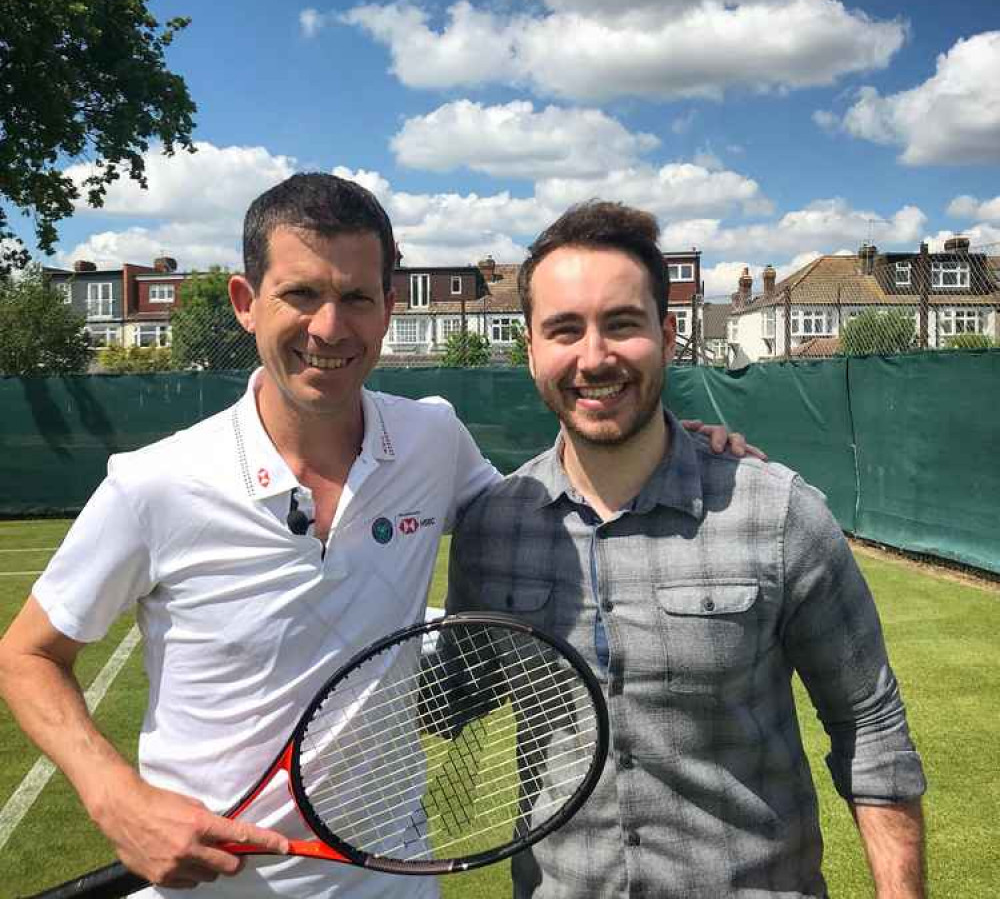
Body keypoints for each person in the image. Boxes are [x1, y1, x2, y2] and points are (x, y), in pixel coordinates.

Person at [0, 175, 750, 898]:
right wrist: (114, 797)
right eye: (301, 294)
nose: (330, 328)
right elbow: (27, 654)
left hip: (394, 882)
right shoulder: (153, 483)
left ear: (389, 306)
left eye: (356, 297)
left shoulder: (431, 438)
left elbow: (545, 504)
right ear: (245, 303)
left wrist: (665, 441)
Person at [447, 201, 927, 899]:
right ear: (530, 350)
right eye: (563, 330)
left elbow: (870, 726)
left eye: (621, 324)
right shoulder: (492, 528)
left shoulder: (780, 513)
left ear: (667, 337)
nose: (594, 356)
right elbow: (450, 699)